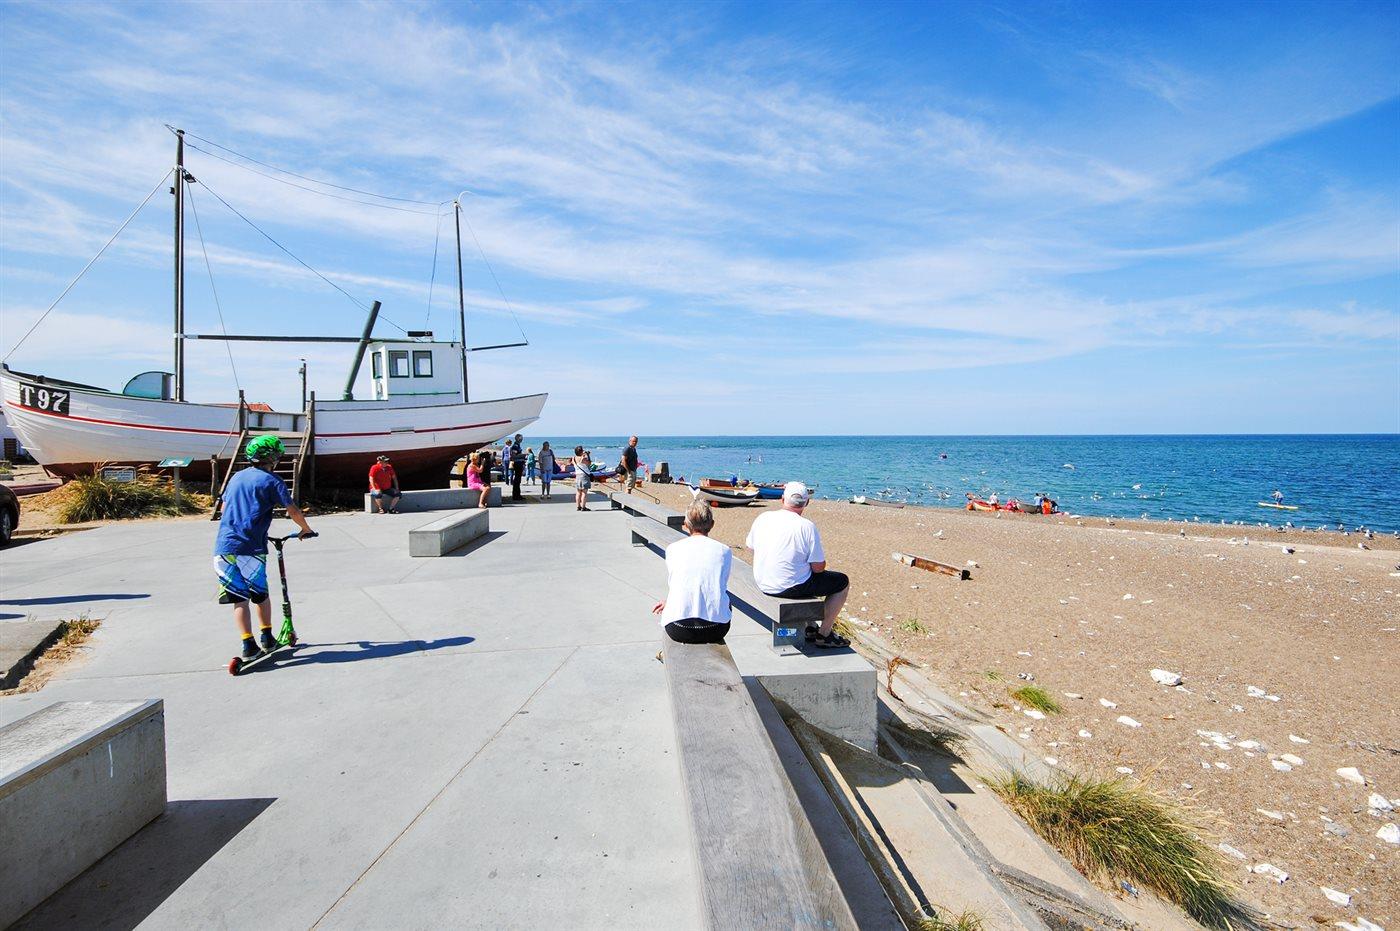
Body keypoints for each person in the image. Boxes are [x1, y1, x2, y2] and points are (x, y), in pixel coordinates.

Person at [215, 434, 314, 660]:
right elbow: (292, 510)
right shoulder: (272, 480)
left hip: (223, 547)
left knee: (238, 599)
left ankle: (248, 644)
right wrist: (305, 529)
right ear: (272, 458)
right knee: (259, 595)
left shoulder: (236, 477)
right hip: (250, 547)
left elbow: (224, 509)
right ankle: (267, 638)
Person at [745, 481, 850, 648]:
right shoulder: (806, 526)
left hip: (763, 581)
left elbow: (750, 548)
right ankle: (824, 634)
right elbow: (818, 568)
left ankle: (811, 626)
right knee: (842, 582)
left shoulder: (763, 518)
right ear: (806, 503)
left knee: (802, 573)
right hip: (787, 586)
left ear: (782, 499)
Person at [652, 500, 731, 643]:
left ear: (686, 524)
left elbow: (681, 581)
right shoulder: (724, 551)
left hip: (678, 628)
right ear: (712, 524)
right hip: (715, 629)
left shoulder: (673, 549)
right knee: (727, 600)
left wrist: (671, 603)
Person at [572, 445, 591, 511]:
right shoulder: (583, 458)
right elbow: (589, 463)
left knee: (578, 492)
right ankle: (583, 507)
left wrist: (584, 454)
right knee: (584, 492)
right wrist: (588, 455)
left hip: (577, 475)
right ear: (581, 452)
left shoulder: (573, 458)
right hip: (584, 476)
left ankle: (578, 506)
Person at [510, 433, 525, 501]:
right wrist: (522, 455)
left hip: (519, 464)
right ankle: (516, 495)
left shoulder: (517, 445)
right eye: (521, 438)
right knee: (517, 480)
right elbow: (513, 456)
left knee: (518, 480)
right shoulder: (515, 446)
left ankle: (518, 494)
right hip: (517, 464)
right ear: (518, 438)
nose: (522, 439)